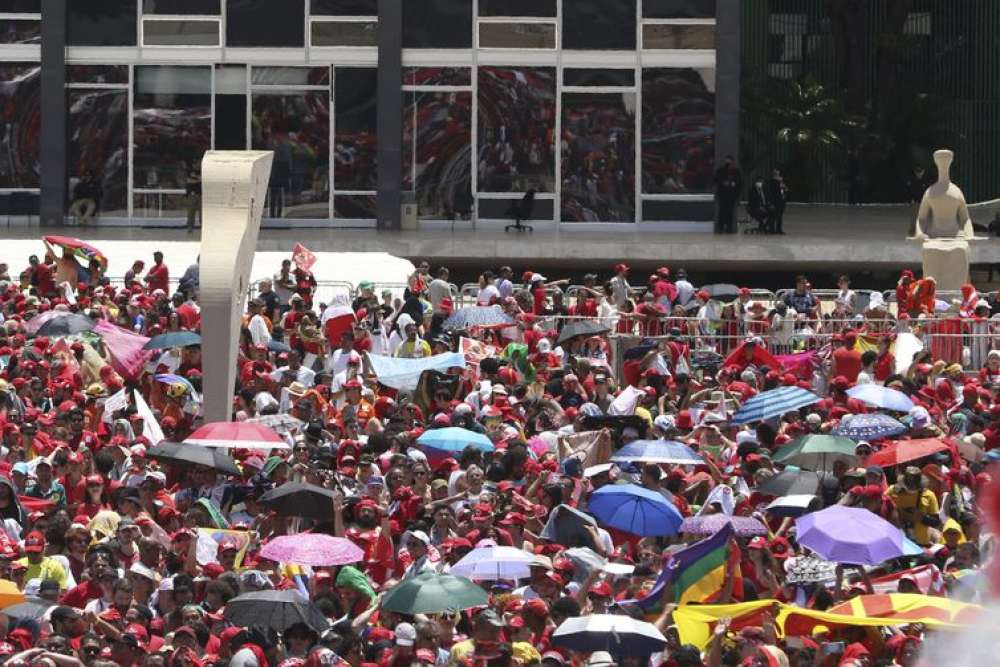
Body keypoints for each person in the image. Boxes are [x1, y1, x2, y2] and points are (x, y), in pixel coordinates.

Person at [714, 155, 742, 234]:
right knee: (722, 211)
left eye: (730, 160)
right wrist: (723, 182)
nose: (728, 162)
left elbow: (739, 182)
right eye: (727, 160)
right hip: (722, 194)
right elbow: (716, 179)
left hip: (731, 195)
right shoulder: (721, 170)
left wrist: (734, 184)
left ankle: (729, 228)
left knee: (730, 212)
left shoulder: (736, 171)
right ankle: (720, 228)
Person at [765, 167, 789, 234]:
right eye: (775, 171)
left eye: (777, 171)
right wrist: (771, 202)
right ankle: (771, 230)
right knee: (773, 215)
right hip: (774, 200)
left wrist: (785, 189)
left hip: (781, 200)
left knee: (779, 216)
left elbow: (786, 189)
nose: (776, 172)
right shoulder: (771, 181)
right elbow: (770, 192)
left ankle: (779, 229)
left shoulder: (782, 180)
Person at [185, 168, 201, 233]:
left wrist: (196, 177)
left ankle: (202, 226)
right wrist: (198, 180)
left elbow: (202, 179)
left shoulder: (202, 171)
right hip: (191, 195)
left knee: (201, 212)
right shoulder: (188, 172)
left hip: (200, 195)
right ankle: (190, 227)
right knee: (191, 212)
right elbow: (189, 181)